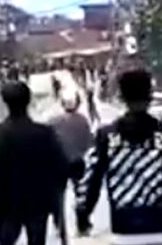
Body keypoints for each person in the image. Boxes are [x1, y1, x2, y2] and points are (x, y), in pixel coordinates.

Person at [76, 69, 162, 245]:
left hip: (124, 230)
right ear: (150, 96)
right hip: (161, 229)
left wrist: (83, 215)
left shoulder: (106, 136)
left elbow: (91, 179)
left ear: (121, 97)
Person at [0, 81, 68, 245]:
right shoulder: (44, 133)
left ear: (5, 102)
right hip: (38, 201)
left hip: (7, 202)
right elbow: (60, 167)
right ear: (28, 101)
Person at [47, 88, 93, 245]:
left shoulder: (53, 121)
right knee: (81, 194)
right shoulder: (83, 120)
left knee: (57, 197)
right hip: (77, 162)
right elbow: (88, 142)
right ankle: (83, 223)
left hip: (58, 163)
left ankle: (59, 225)